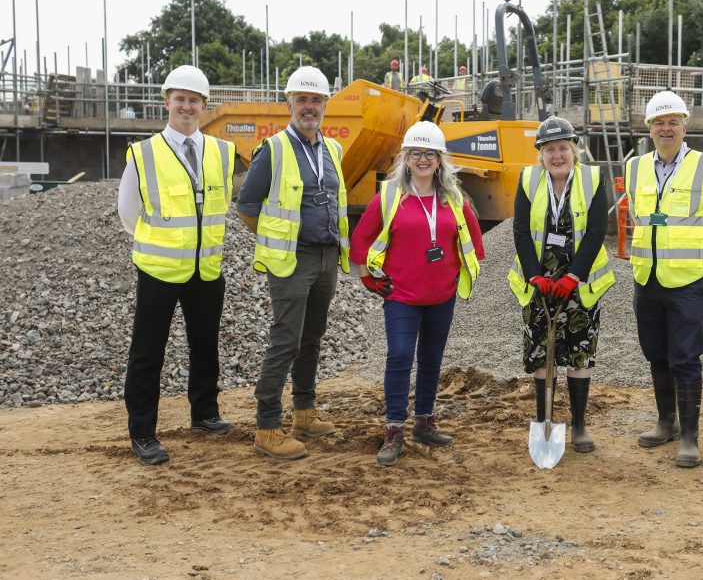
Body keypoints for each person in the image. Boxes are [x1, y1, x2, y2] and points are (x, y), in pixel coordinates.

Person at [117, 65, 236, 465]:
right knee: (149, 352)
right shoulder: (144, 153)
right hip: (159, 270)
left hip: (207, 269)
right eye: (179, 99)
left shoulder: (222, 151)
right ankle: (143, 432)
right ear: (166, 101)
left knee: (205, 345)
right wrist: (161, 244)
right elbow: (128, 212)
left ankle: (204, 413)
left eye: (194, 100)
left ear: (204, 106)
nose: (186, 106)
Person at [350, 121, 484, 467]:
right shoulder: (391, 196)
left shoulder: (453, 198)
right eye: (416, 154)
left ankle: (424, 422)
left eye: (429, 154)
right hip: (402, 295)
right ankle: (394, 428)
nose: (423, 160)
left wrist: (456, 274)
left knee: (431, 359)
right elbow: (362, 238)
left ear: (440, 160)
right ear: (406, 158)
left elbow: (473, 240)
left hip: (441, 295)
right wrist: (366, 276)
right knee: (398, 356)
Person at [236, 65, 350, 460]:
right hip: (292, 259)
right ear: (289, 103)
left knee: (312, 337)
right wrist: (276, 242)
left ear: (324, 106)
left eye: (316, 100)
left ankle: (304, 412)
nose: (309, 107)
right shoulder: (275, 149)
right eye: (302, 99)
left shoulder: (332, 149)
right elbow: (247, 206)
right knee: (285, 339)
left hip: (326, 257)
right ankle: (267, 427)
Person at [625, 91, 703, 468]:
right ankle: (665, 422)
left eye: (672, 122)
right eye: (658, 122)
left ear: (685, 126)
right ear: (650, 128)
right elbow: (639, 215)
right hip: (647, 276)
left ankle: (689, 436)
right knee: (656, 352)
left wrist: (702, 247)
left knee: (685, 356)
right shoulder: (635, 167)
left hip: (687, 279)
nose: (665, 128)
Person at [508, 116, 615, 453]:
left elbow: (597, 231)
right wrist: (534, 276)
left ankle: (579, 427)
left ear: (574, 150)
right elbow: (521, 231)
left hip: (579, 285)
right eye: (550, 149)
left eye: (563, 148)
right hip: (540, 285)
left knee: (580, 352)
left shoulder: (592, 179)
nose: (557, 156)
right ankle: (543, 422)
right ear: (540, 153)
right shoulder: (529, 179)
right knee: (542, 354)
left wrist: (574, 275)